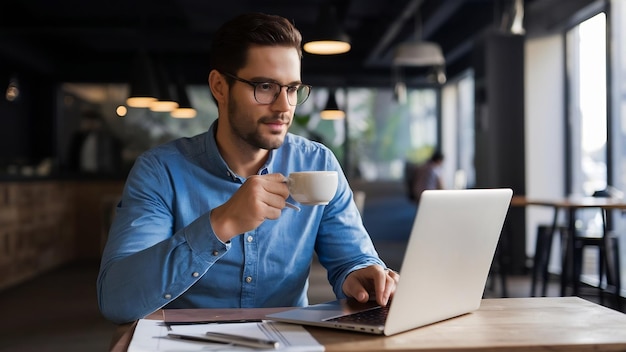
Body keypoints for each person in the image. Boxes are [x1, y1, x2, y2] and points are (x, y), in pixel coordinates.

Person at [97, 13, 399, 324]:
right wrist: (221, 223)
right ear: (220, 86)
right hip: (188, 342)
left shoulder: (317, 163)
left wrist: (361, 275)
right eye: (265, 86)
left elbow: (352, 259)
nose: (284, 107)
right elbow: (118, 299)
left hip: (286, 339)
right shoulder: (160, 171)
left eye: (292, 89)